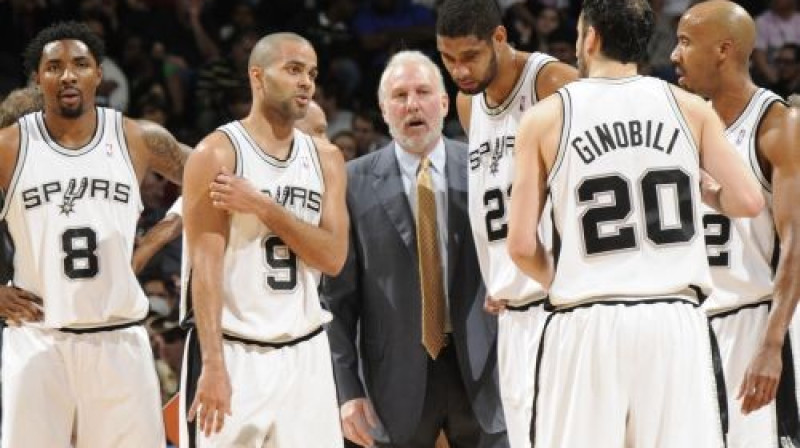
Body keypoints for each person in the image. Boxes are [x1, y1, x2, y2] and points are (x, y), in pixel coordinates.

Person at [507, 0, 765, 446]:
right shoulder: (690, 107)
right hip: (674, 320)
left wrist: (560, 280)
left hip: (588, 319)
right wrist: (706, 193)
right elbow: (747, 200)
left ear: (590, 37)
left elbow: (521, 247)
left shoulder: (544, 118)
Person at [0, 21, 190, 447]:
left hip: (118, 336)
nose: (68, 74)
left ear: (98, 75)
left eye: (80, 64)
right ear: (38, 78)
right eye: (54, 66)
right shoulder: (10, 145)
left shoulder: (138, 138)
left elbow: (212, 174)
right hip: (38, 339)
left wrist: (161, 234)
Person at [321, 49, 508, 448]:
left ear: (443, 103)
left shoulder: (484, 170)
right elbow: (337, 301)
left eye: (423, 91)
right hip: (392, 381)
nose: (412, 105)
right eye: (399, 95)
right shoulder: (351, 182)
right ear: (383, 109)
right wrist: (346, 390)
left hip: (484, 371)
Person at [180, 32, 348, 447]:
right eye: (293, 70)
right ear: (257, 76)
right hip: (234, 353)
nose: (306, 82)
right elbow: (205, 270)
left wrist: (263, 206)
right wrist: (214, 365)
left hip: (305, 352)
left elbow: (332, 257)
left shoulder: (327, 159)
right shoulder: (216, 154)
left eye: (311, 73)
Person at [436, 1, 577, 445]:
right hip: (513, 309)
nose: (459, 70)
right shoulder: (467, 103)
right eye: (447, 57)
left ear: (500, 37)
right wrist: (502, 275)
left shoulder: (553, 82)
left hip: (564, 304)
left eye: (470, 56)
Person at [671, 1, 800, 445]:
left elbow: (797, 243)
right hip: (692, 327)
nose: (674, 54)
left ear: (724, 49)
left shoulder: (778, 124)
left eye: (685, 42)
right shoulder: (682, 122)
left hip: (754, 322)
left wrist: (771, 345)